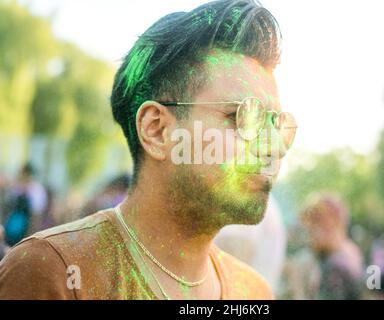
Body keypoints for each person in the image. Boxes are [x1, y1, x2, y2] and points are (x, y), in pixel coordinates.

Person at [0, 0, 296, 300]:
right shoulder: (55, 272)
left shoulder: (252, 292)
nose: (273, 146)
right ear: (156, 130)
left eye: (277, 124)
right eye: (244, 117)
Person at [300, 193, 364, 299]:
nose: (310, 235)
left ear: (330, 225)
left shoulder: (334, 267)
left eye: (313, 225)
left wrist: (298, 289)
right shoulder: (352, 251)